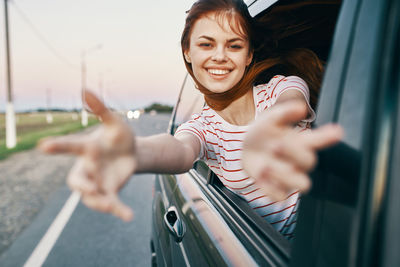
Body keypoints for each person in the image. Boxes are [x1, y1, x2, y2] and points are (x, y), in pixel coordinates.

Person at [38, 0, 343, 240]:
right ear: (188, 53)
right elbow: (178, 149)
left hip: (337, 231)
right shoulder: (203, 128)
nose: (220, 56)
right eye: (206, 44)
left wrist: (270, 127)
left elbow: (293, 106)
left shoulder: (280, 87)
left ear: (249, 54)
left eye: (234, 45)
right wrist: (134, 153)